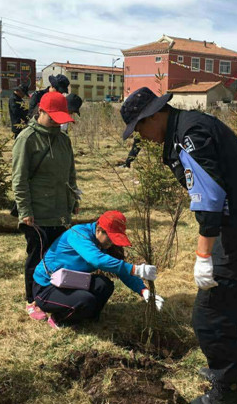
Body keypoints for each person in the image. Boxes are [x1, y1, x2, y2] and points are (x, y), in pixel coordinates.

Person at [120, 87, 237, 404]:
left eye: (140, 128)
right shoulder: (187, 127)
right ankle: (233, 377)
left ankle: (226, 389)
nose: (142, 136)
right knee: (236, 305)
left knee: (209, 313)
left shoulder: (190, 135)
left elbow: (209, 198)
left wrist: (203, 256)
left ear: (154, 116)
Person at [33, 210, 164, 329]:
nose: (112, 243)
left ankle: (86, 318)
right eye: (110, 238)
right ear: (99, 229)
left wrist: (143, 291)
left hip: (70, 281)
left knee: (104, 285)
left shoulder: (104, 244)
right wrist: (135, 269)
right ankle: (58, 319)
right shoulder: (78, 233)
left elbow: (121, 269)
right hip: (46, 287)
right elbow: (96, 259)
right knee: (85, 300)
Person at [12, 91, 79, 321]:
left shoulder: (63, 140)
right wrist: (25, 211)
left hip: (59, 210)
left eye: (60, 119)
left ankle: (52, 295)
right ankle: (32, 299)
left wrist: (73, 199)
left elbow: (70, 173)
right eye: (52, 118)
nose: (56, 123)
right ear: (40, 111)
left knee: (57, 256)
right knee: (37, 257)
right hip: (37, 212)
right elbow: (19, 179)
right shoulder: (27, 139)